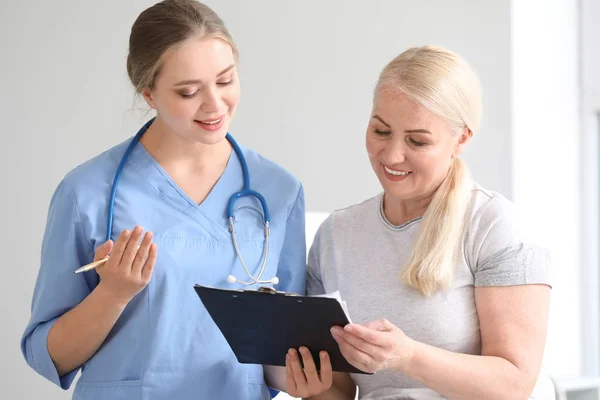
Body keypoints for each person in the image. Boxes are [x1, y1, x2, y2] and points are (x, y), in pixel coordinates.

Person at [20, 1, 306, 399]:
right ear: (149, 94)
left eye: (225, 81)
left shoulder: (278, 190)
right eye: (189, 91)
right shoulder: (86, 193)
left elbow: (282, 357)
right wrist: (113, 293)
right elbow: (49, 356)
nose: (214, 105)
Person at [284, 45, 552, 399]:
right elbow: (341, 390)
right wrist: (315, 390)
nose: (392, 155)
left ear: (461, 139)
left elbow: (514, 384)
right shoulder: (337, 234)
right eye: (381, 132)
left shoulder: (494, 227)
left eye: (417, 140)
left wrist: (408, 356)